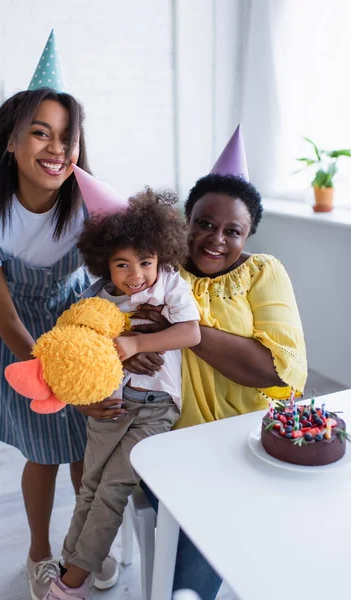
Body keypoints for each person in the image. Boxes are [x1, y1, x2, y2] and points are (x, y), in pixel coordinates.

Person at [0, 87, 148, 600]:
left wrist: (120, 347)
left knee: (90, 449)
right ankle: (40, 554)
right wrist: (60, 383)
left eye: (68, 136)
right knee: (43, 454)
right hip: (21, 342)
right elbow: (6, 320)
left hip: (79, 331)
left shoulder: (92, 205)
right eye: (41, 132)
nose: (57, 148)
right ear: (10, 142)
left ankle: (83, 551)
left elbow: (124, 279)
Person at [132, 126, 308, 599]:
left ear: (248, 235)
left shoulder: (263, 273)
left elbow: (277, 370)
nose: (216, 239)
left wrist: (179, 334)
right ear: (184, 221)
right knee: (200, 516)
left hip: (247, 441)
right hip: (166, 443)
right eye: (205, 223)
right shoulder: (152, 274)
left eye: (233, 231)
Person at [44, 179, 200, 600]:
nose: (137, 276)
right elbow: (83, 351)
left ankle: (70, 585)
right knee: (90, 487)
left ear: (160, 257)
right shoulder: (96, 299)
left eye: (145, 262)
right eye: (123, 265)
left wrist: (135, 342)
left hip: (155, 407)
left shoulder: (169, 284)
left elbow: (191, 333)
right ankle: (68, 565)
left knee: (112, 490)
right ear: (104, 265)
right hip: (111, 403)